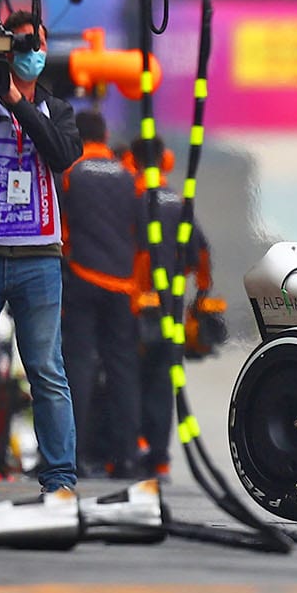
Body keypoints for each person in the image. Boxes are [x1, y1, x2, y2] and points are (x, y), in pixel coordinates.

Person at [0, 9, 83, 506]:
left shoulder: (56, 110)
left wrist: (15, 101)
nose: (27, 53)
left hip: (39, 258)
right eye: (17, 46)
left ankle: (60, 480)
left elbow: (64, 154)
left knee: (47, 370)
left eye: (33, 44)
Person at [59, 110, 142, 478]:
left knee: (78, 366)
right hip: (122, 285)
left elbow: (61, 232)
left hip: (81, 277)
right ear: (106, 134)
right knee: (123, 369)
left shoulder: (71, 173)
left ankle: (73, 456)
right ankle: (124, 457)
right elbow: (141, 234)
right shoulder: (129, 177)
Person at [126, 140, 212, 479]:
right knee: (163, 384)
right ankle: (159, 459)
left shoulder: (131, 199)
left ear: (131, 160)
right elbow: (201, 258)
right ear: (167, 160)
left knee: (126, 381)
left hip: (131, 307)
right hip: (170, 313)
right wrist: (199, 297)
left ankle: (129, 452)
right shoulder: (179, 202)